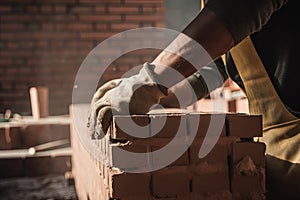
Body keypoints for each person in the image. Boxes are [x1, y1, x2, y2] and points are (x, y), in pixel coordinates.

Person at [88, 0, 300, 198]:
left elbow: (236, 11)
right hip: (275, 148)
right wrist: (164, 97)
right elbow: (215, 65)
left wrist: (149, 81)